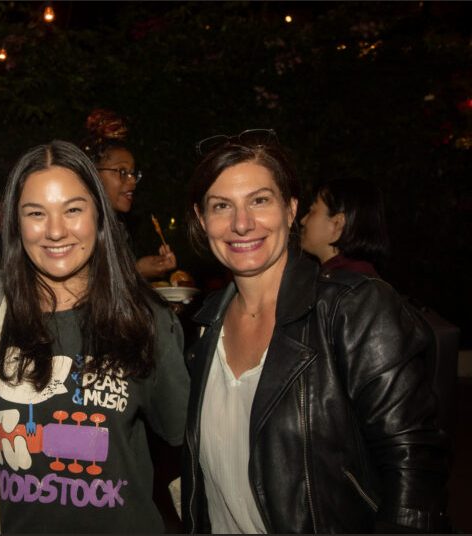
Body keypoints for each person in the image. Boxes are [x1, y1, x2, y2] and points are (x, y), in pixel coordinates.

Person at [181, 129, 449, 533]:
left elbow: (413, 467)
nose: (241, 223)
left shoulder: (352, 310)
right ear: (203, 221)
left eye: (259, 200)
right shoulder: (204, 327)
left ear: (290, 210)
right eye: (221, 206)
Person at [0, 140, 189, 533]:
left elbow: (183, 445)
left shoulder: (146, 320)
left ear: (98, 216)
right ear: (16, 223)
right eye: (36, 213)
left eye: (73, 210)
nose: (56, 231)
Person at [80, 109, 177, 280]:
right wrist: (137, 272)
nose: (132, 181)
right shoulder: (79, 226)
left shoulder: (117, 227)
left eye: (133, 173)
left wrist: (139, 267)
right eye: (122, 172)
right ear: (94, 174)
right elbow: (86, 289)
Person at [299, 177, 389, 277]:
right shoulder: (357, 280)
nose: (302, 220)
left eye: (312, 210)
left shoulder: (344, 286)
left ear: (337, 224)